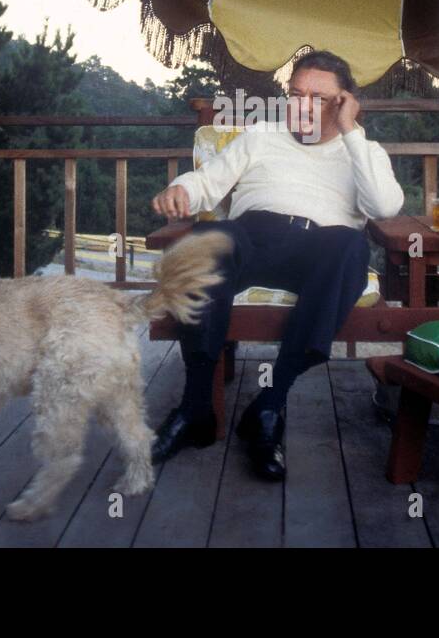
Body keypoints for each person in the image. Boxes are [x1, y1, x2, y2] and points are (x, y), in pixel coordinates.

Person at [149, 50, 404, 480]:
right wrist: (179, 190)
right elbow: (205, 183)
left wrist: (350, 133)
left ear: (345, 103)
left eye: (319, 98)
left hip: (322, 249)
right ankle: (195, 410)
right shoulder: (261, 135)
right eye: (295, 94)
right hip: (253, 236)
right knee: (207, 242)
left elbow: (384, 207)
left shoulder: (364, 151)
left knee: (350, 247)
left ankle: (268, 405)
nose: (302, 105)